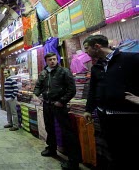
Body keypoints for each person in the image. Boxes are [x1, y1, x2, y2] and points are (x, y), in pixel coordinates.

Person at [82, 35, 139, 169]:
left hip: (127, 117)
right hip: (105, 117)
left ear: (97, 47)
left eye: (87, 49)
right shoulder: (96, 67)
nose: (86, 53)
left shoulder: (130, 59)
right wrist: (88, 110)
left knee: (132, 153)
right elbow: (93, 90)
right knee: (114, 152)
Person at [33, 52, 81, 170]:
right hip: (47, 104)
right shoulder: (43, 73)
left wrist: (62, 101)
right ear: (46, 61)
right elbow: (38, 86)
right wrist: (35, 94)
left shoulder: (64, 71)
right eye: (50, 60)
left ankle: (73, 160)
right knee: (49, 128)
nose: (52, 61)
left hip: (59, 105)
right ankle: (51, 149)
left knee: (67, 131)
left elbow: (71, 89)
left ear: (57, 59)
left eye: (54, 59)